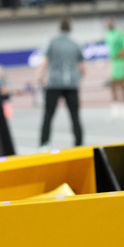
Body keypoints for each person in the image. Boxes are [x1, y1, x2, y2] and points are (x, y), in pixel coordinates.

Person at [38, 19, 85, 150]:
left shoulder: (53, 42)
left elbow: (45, 62)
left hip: (54, 83)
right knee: (75, 116)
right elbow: (82, 67)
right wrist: (78, 79)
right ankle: (79, 144)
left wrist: (40, 76)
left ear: (60, 28)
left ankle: (44, 144)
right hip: (71, 84)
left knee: (48, 115)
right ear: (70, 29)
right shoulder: (76, 44)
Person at [105, 17, 124, 119]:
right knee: (113, 85)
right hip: (113, 63)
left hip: (120, 62)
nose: (108, 25)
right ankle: (115, 106)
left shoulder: (119, 33)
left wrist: (121, 53)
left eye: (109, 22)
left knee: (122, 85)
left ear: (113, 23)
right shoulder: (108, 35)